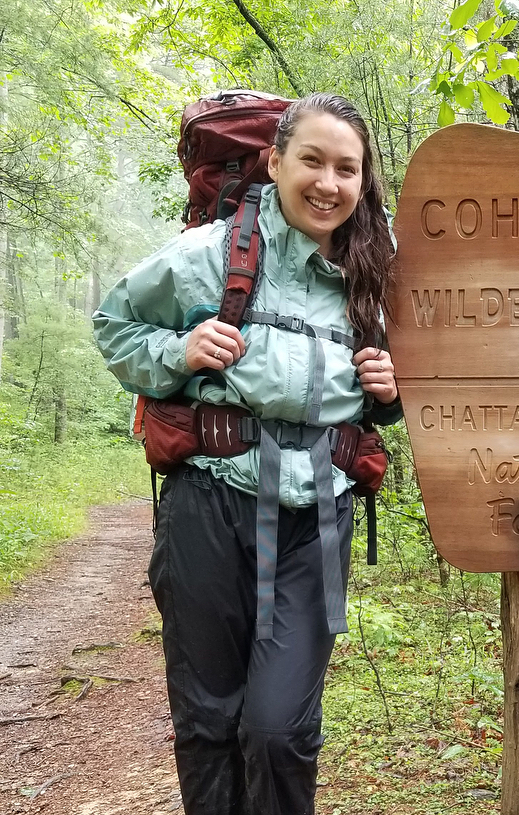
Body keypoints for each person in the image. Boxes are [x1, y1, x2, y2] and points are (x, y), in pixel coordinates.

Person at [93, 93, 400, 815]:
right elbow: (115, 325)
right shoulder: (210, 257)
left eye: (347, 169)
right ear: (275, 160)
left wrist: (389, 391)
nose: (329, 183)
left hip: (313, 525)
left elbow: (394, 387)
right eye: (314, 161)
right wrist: (178, 348)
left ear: (364, 180)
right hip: (208, 506)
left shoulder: (376, 273)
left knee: (279, 729)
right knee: (207, 718)